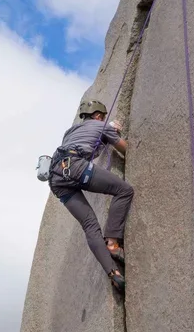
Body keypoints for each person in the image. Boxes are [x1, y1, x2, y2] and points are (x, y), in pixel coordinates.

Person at [48, 98, 134, 293]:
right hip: (75, 166)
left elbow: (87, 147)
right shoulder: (102, 125)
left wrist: (103, 137)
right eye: (102, 117)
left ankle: (114, 274)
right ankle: (112, 243)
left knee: (89, 225)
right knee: (124, 191)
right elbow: (124, 148)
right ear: (97, 116)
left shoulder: (69, 133)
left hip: (56, 180)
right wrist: (111, 132)